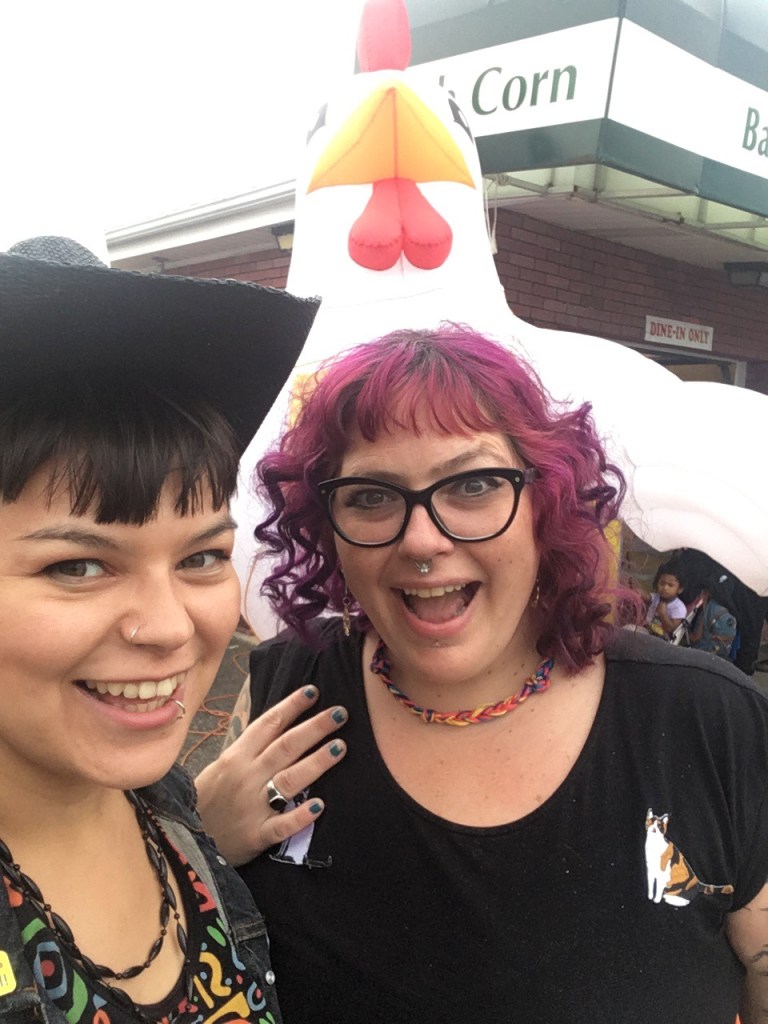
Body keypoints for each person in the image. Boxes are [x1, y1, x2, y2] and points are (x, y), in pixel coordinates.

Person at [197, 325, 768, 1024]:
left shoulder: (707, 720)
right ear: (328, 523)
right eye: (371, 496)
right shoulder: (285, 691)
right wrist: (196, 846)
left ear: (545, 503)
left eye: (472, 485)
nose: (423, 540)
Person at [0, 234, 346, 1024]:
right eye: (78, 566)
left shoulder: (172, 817)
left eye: (201, 557)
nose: (167, 628)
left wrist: (207, 834)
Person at [644, 561, 687, 639]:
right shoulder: (656, 597)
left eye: (670, 585)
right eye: (662, 583)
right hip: (647, 631)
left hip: (662, 639)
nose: (665, 588)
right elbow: (646, 596)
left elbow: (671, 630)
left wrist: (663, 614)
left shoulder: (679, 608)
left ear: (680, 589)